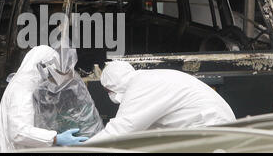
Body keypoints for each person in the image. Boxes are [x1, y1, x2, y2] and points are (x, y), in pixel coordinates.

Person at [87, 61, 236, 143]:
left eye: (108, 91)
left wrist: (77, 152)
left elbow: (121, 130)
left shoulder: (141, 86)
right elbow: (145, 133)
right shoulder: (150, 78)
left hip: (209, 129)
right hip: (215, 127)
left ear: (111, 86)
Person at [0, 45, 88, 152]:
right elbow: (18, 132)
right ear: (42, 66)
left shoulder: (27, 84)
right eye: (54, 69)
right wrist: (56, 138)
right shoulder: (23, 89)